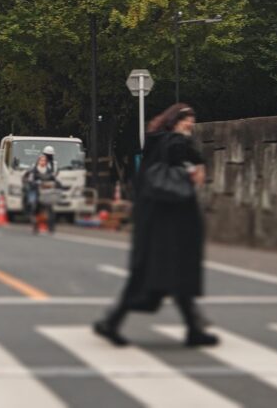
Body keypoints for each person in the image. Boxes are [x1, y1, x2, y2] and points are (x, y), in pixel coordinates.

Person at [94, 103, 218, 348]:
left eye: (192, 120)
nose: (190, 124)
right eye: (185, 120)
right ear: (173, 122)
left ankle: (192, 328)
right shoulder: (173, 143)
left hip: (158, 223)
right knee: (165, 275)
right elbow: (180, 154)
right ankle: (112, 322)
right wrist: (196, 164)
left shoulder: (157, 144)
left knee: (163, 276)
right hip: (168, 226)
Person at [23, 149, 64, 234]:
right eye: (43, 158)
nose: (46, 159)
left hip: (47, 192)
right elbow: (29, 178)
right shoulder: (34, 169)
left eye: (47, 158)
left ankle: (51, 227)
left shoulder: (50, 168)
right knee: (34, 206)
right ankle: (35, 225)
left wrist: (58, 184)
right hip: (36, 191)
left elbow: (54, 178)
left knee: (50, 208)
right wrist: (35, 183)